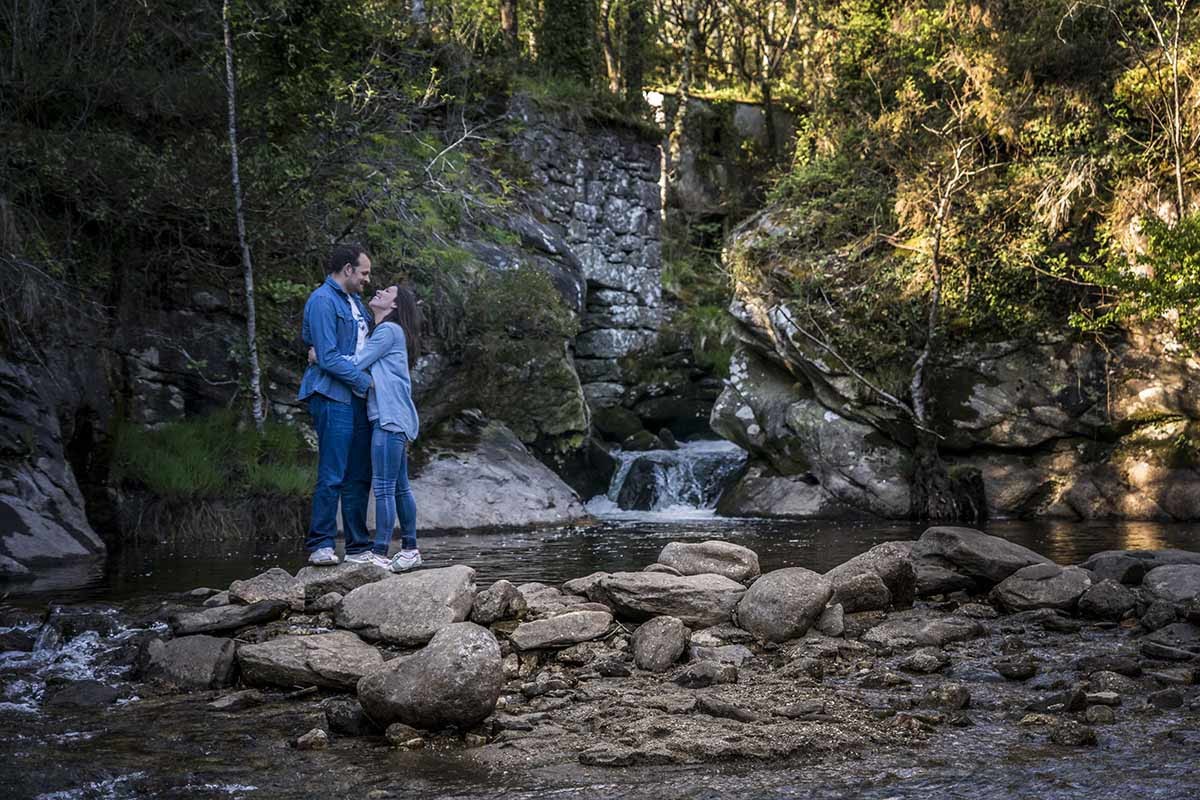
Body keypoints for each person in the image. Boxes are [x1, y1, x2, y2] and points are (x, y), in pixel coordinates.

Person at [313, 284, 422, 571]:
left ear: (395, 305)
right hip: (397, 416)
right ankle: (410, 549)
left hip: (388, 417)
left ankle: (380, 553)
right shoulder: (392, 332)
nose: (379, 290)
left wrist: (320, 357)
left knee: (386, 488)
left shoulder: (387, 331)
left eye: (387, 291)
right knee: (399, 487)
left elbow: (357, 362)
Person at [298, 243, 374, 567]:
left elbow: (354, 350)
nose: (368, 280)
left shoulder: (355, 302)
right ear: (347, 269)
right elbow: (326, 357)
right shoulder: (321, 300)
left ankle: (358, 548)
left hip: (358, 400)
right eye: (364, 273)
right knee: (333, 472)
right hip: (332, 395)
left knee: (360, 474)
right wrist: (364, 382)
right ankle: (321, 545)